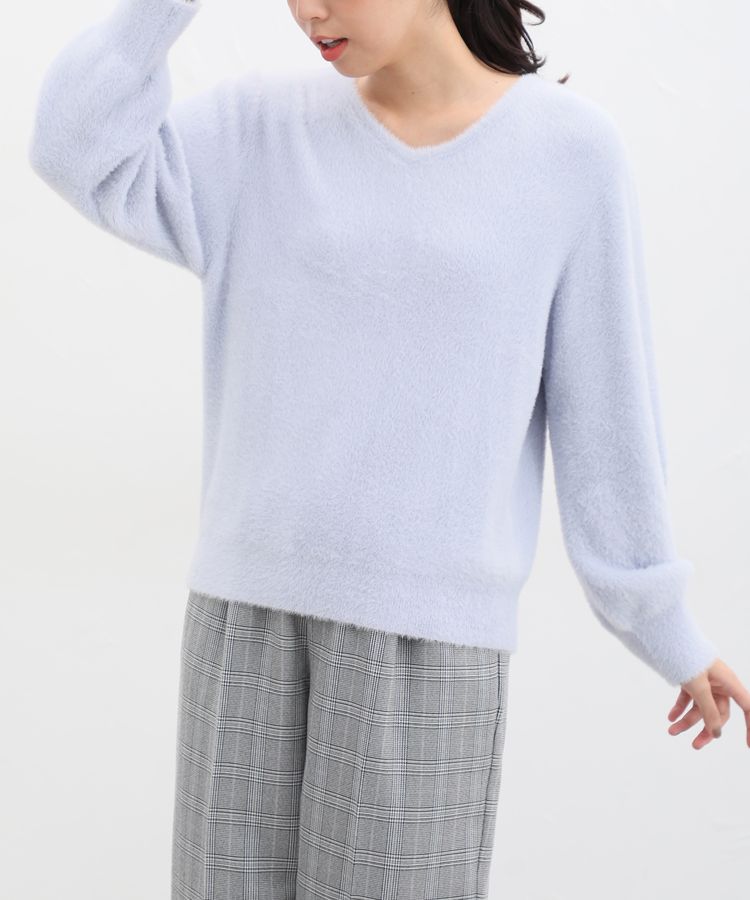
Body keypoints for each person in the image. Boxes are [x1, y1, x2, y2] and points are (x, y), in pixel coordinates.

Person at [28, 0, 750, 897]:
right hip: (241, 623)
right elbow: (73, 146)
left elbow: (607, 423)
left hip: (425, 650)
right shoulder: (257, 129)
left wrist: (663, 625)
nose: (309, 9)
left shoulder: (569, 156)